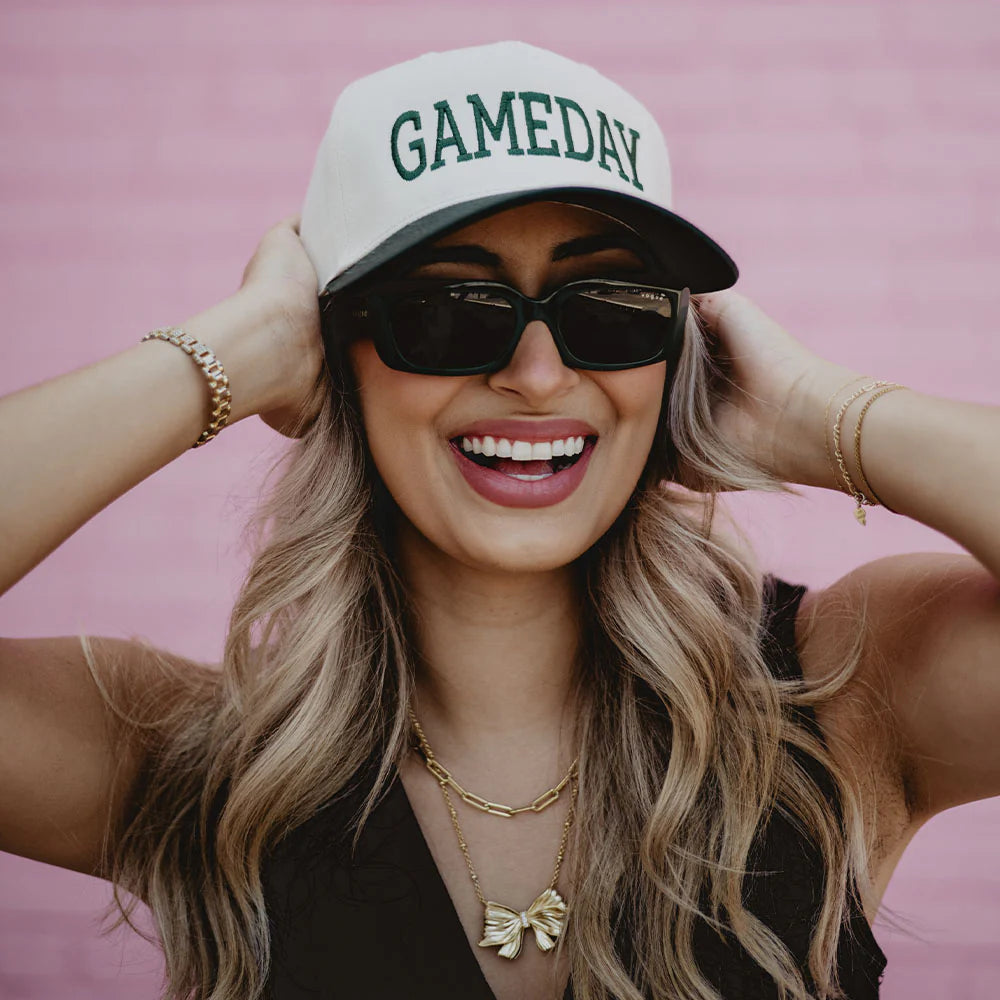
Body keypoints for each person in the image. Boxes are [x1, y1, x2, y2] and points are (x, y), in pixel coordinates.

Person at [0, 40, 997, 1000]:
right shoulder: (195, 767)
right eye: (444, 309)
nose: (536, 374)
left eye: (607, 305)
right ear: (336, 350)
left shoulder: (842, 695)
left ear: (676, 350)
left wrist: (823, 415)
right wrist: (233, 350)